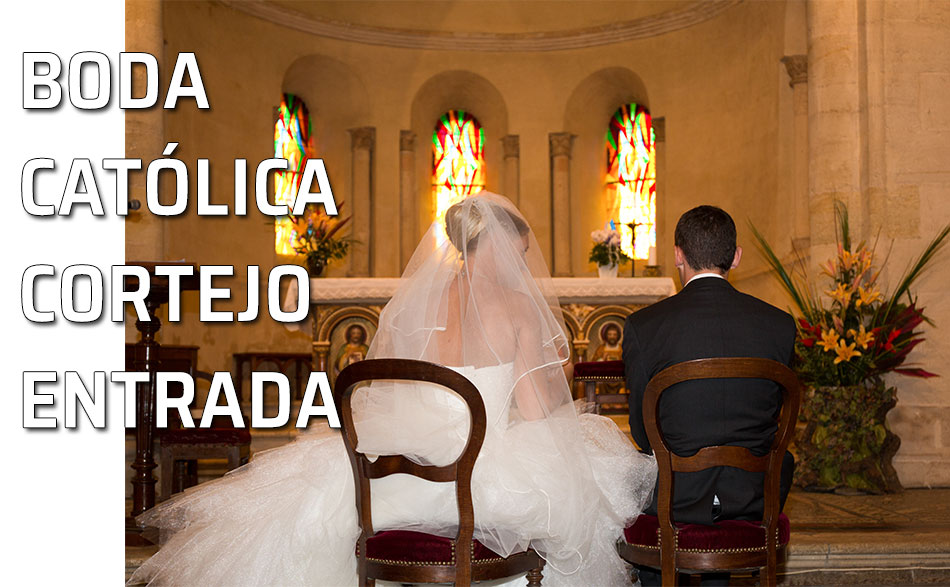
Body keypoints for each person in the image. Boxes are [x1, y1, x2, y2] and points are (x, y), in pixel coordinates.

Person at [131, 192, 656, 586]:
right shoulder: (517, 308)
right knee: (586, 476)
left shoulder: (417, 306)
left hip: (403, 468)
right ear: (494, 248)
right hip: (481, 476)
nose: (522, 266)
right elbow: (536, 409)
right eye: (517, 253)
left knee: (320, 506)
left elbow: (393, 388)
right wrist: (553, 391)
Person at [621, 205, 795, 585]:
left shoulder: (644, 326)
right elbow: (772, 418)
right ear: (736, 256)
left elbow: (641, 429)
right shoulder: (780, 326)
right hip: (751, 497)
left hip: (672, 496)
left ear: (678, 254)